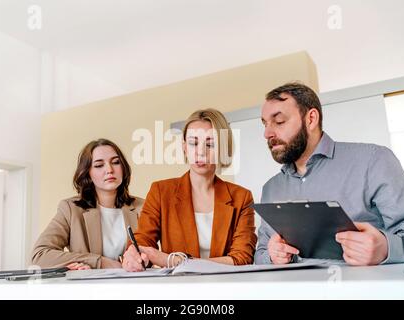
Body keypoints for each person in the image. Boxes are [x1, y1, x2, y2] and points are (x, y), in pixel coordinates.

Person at [255, 82, 404, 266]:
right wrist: (272, 256)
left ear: (311, 119)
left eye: (279, 121)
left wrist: (386, 248)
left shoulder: (373, 160)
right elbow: (260, 254)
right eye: (265, 124)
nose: (267, 133)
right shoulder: (271, 189)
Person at [122, 108, 257, 271]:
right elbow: (142, 242)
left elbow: (242, 258)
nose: (200, 152)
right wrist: (134, 254)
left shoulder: (241, 197)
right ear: (184, 147)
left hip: (224, 288)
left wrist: (172, 260)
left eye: (210, 144)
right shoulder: (161, 191)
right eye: (193, 143)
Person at [31, 139, 144, 269]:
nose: (109, 170)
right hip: (90, 288)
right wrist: (99, 261)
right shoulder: (70, 209)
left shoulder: (142, 207)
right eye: (99, 165)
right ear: (88, 173)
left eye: (116, 162)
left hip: (134, 286)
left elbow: (151, 254)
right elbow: (39, 255)